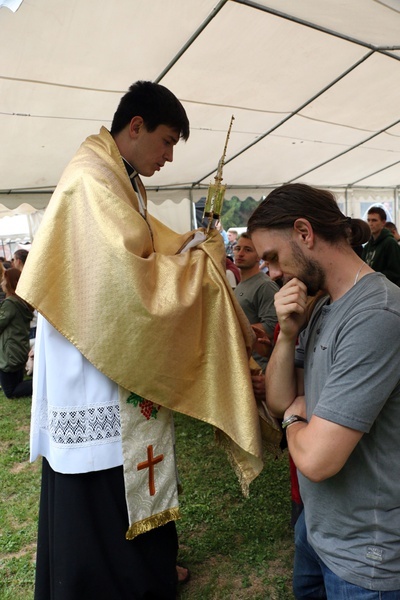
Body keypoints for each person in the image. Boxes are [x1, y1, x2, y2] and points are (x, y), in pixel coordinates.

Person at [17, 81, 263, 600]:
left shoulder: (115, 174)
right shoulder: (93, 179)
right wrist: (198, 266)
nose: (170, 157)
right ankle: (110, 581)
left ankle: (143, 566)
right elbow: (129, 284)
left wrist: (190, 246)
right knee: (105, 476)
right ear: (136, 127)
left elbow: (146, 243)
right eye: (167, 141)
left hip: (102, 349)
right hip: (93, 358)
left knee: (130, 468)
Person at [248, 183, 400, 598]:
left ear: (304, 232)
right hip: (317, 530)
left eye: (273, 258)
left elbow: (316, 459)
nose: (273, 273)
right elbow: (279, 399)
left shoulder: (377, 314)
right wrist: (287, 334)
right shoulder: (323, 305)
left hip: (366, 555)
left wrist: (295, 419)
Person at [233, 233, 278, 371]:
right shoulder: (241, 284)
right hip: (243, 364)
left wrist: (234, 330)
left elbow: (272, 326)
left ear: (259, 256)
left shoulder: (265, 286)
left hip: (259, 367)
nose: (240, 253)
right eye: (237, 248)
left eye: (248, 250)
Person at [0, 268, 33, 398]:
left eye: (3, 280)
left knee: (10, 391)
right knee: (15, 382)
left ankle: (43, 385)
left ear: (10, 283)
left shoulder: (10, 303)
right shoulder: (21, 301)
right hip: (17, 348)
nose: (1, 283)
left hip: (9, 352)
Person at [362, 206, 400, 285]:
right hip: (369, 287)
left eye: (374, 220)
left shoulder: (390, 243)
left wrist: (374, 278)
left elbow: (395, 272)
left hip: (385, 288)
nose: (370, 224)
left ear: (383, 223)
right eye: (368, 220)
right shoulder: (367, 246)